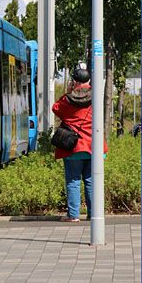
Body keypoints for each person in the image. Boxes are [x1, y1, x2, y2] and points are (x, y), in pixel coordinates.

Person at [52, 65, 107, 222]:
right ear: (89, 80)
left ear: (74, 81)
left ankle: (74, 215)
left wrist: (69, 91)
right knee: (91, 181)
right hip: (93, 146)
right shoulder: (96, 97)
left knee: (73, 181)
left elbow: (55, 108)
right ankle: (93, 214)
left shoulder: (68, 99)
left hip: (74, 146)